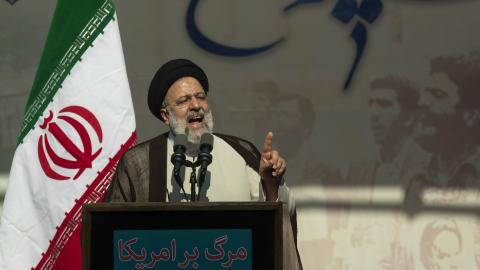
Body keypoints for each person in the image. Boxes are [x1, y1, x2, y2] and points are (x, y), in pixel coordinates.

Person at [104, 59, 301, 268]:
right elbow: (112, 235)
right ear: (165, 115)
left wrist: (270, 184)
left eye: (200, 97)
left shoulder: (241, 151)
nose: (196, 106)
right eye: (183, 100)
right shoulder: (140, 162)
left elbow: (276, 223)